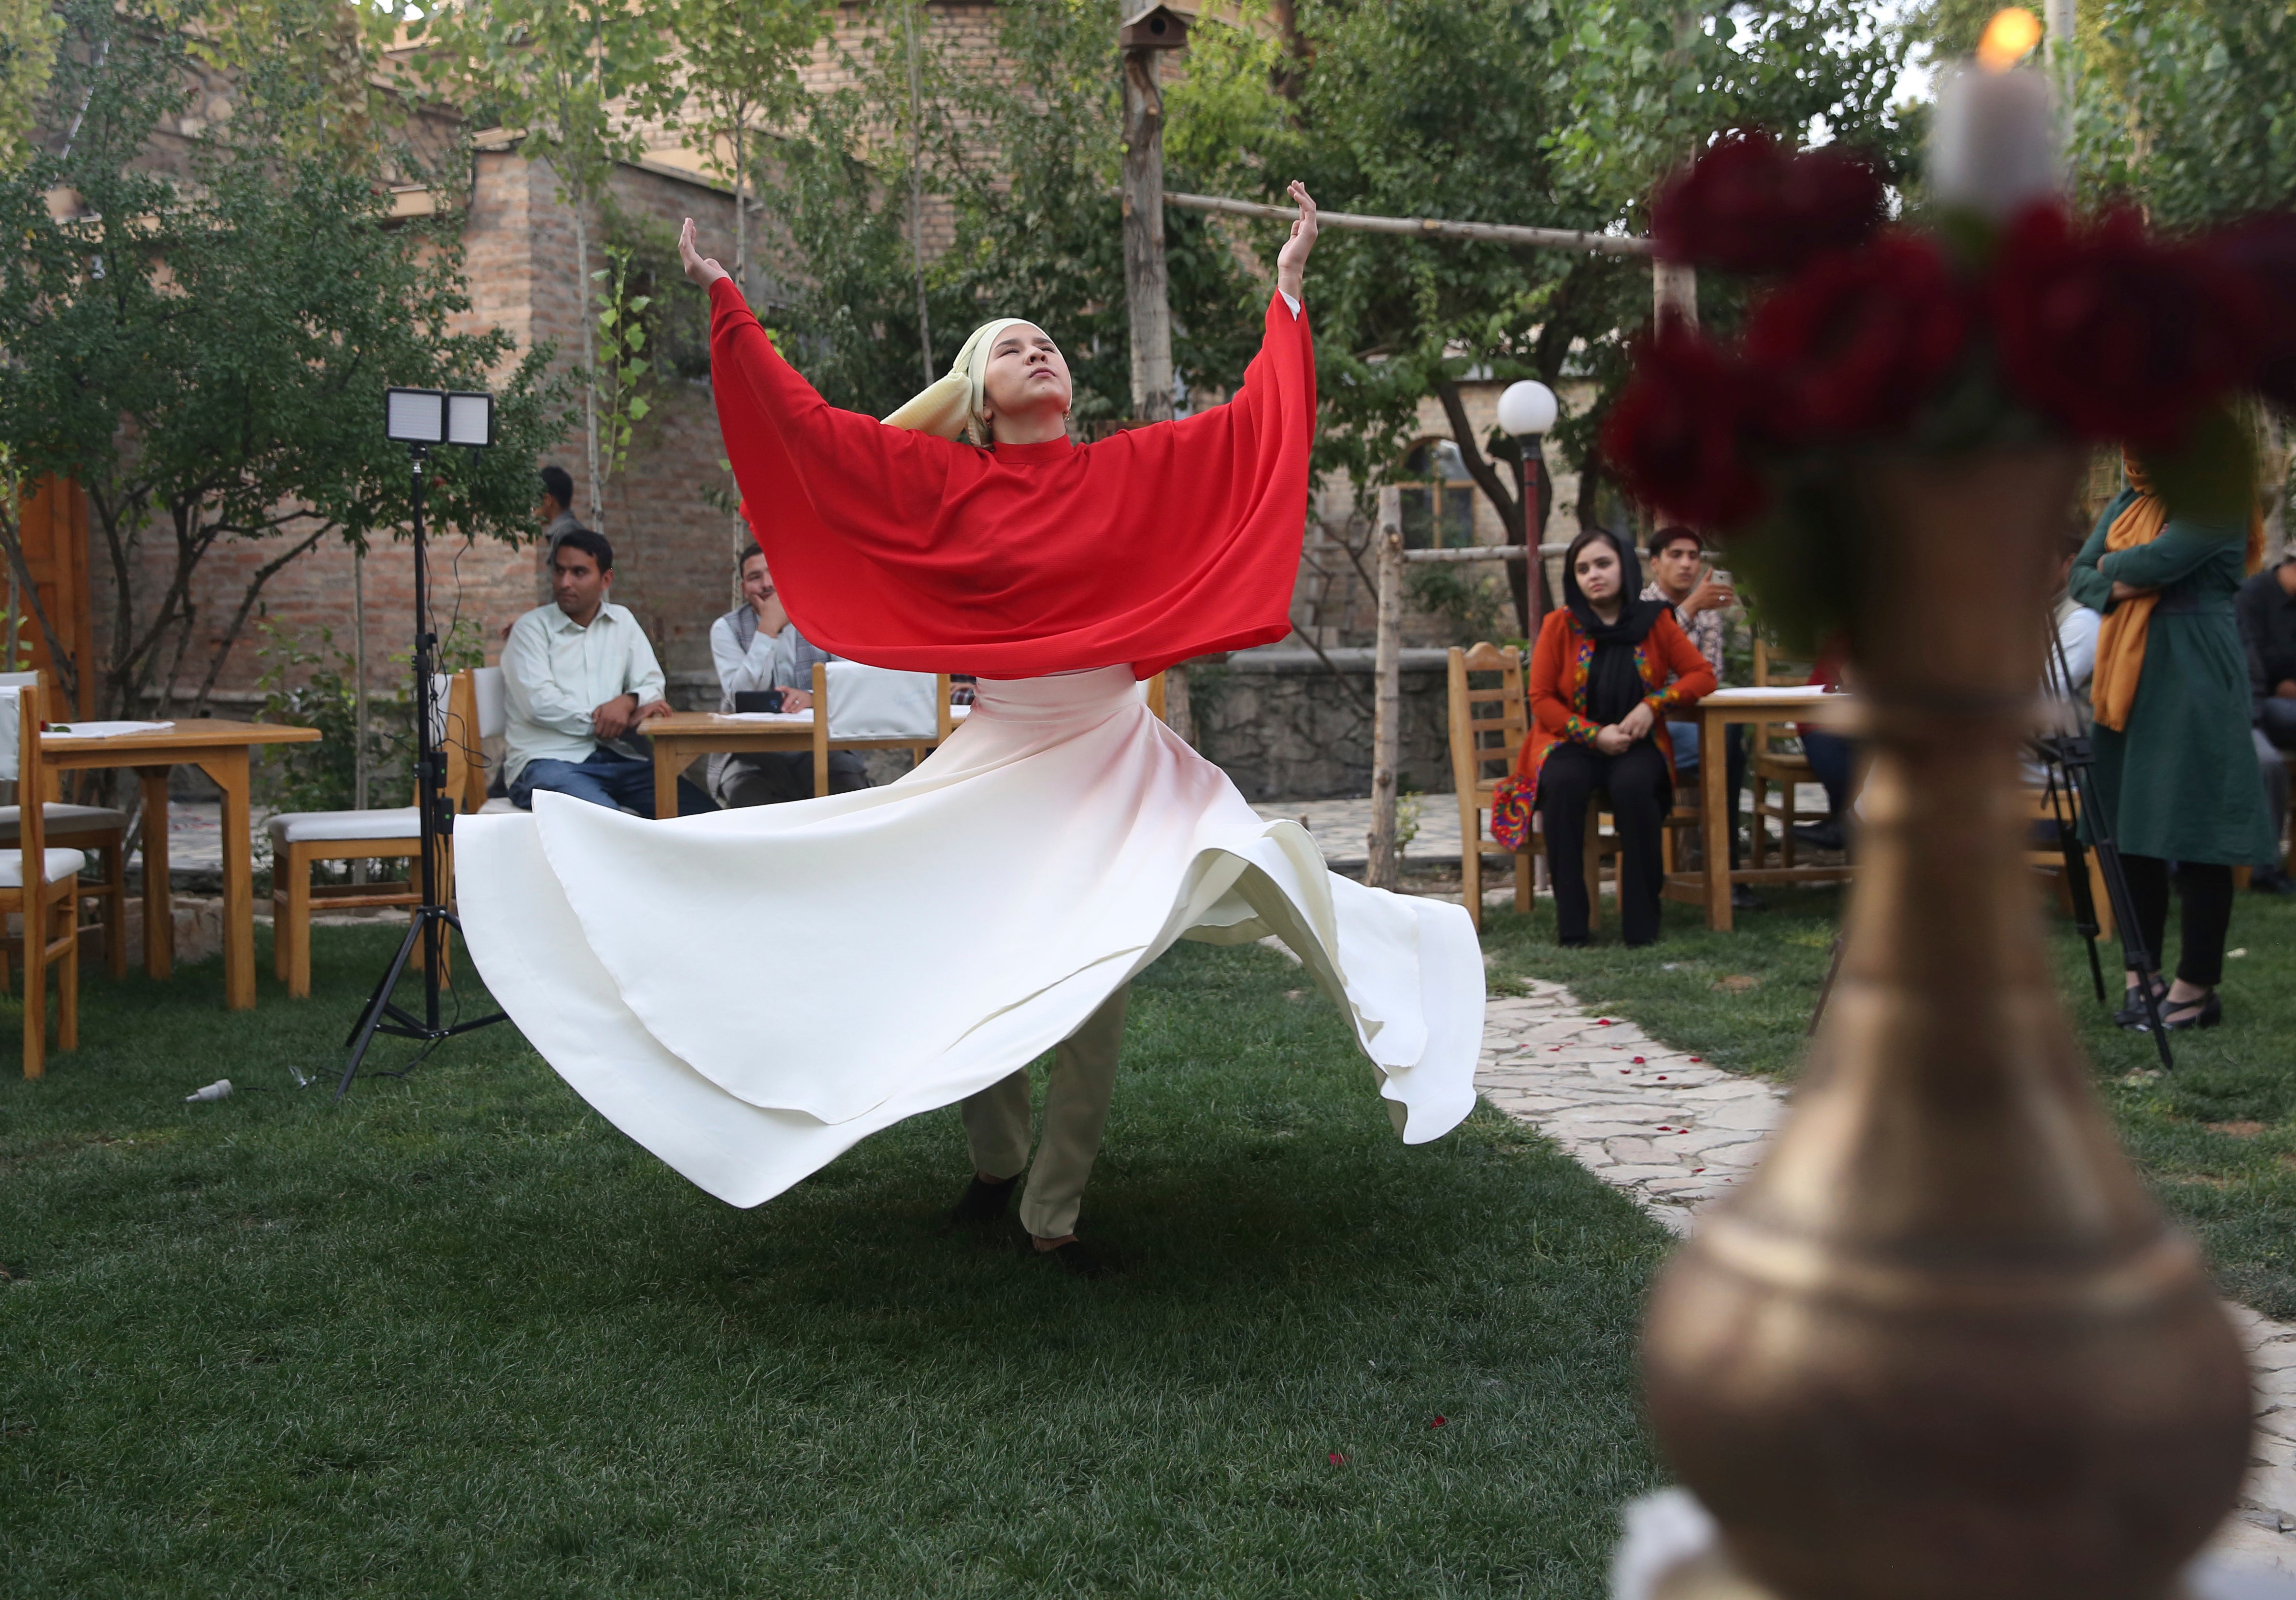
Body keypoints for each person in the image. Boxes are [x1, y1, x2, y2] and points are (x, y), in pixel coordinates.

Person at [452, 188, 1483, 1279]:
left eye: (1046, 346)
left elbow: (1250, 436)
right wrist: (728, 308)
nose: (1037, 353)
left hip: (1116, 761)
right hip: (1003, 756)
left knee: (1095, 975)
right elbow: (814, 442)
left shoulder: (1128, 468)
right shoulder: (943, 483)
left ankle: (1052, 1211)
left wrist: (1284, 297)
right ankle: (994, 1164)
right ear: (979, 398)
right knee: (974, 960)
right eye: (1011, 347)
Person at [2067, 453, 2275, 1031]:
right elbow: (2080, 575)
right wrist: (2119, 573)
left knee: (2198, 828)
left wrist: (2113, 569)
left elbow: (2162, 559)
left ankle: (2196, 989)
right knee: (2130, 829)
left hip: (2195, 671)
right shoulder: (2133, 495)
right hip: (2127, 674)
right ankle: (2144, 977)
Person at [1501, 528, 1716, 947]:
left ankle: (1641, 925)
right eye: (1582, 569)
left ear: (1624, 566)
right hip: (1573, 741)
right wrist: (1593, 735)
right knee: (1563, 785)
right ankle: (1574, 927)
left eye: (1603, 564)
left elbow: (1702, 675)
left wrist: (1652, 706)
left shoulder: (1656, 622)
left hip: (1638, 743)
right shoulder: (1559, 625)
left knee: (1634, 787)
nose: (1593, 576)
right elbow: (1541, 698)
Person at [502, 530, 703, 817]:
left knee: (703, 815)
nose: (564, 582)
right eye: (559, 571)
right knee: (604, 822)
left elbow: (651, 683)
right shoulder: (530, 630)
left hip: (616, 759)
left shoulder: (622, 621)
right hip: (545, 762)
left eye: (579, 572)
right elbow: (539, 704)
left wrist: (629, 701)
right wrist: (613, 721)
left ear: (605, 580)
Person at [1642, 526, 1754, 909]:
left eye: (1694, 556)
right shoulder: (1640, 608)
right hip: (1653, 724)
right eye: (1676, 555)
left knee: (1729, 740)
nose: (1687, 564)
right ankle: (1726, 876)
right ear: (1655, 563)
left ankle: (1725, 872)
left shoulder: (1708, 615)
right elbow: (1650, 670)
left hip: (1698, 721)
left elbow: (1709, 673)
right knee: (1726, 749)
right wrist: (1688, 612)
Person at [707, 542, 868, 806]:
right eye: (755, 578)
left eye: (772, 574)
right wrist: (768, 629)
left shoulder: (823, 620)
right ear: (744, 588)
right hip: (749, 750)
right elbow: (738, 697)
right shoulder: (726, 629)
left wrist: (814, 697)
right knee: (746, 799)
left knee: (849, 792)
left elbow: (853, 681)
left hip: (820, 745)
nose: (767, 584)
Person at [2236, 552, 2296, 894]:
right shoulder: (2249, 597)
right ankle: (2264, 867)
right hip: (2248, 709)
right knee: (2268, 765)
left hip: (2270, 705)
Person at [537, 465, 590, 554]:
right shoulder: (567, 529)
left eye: (535, 500)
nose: (532, 508)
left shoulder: (564, 532)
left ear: (547, 500)